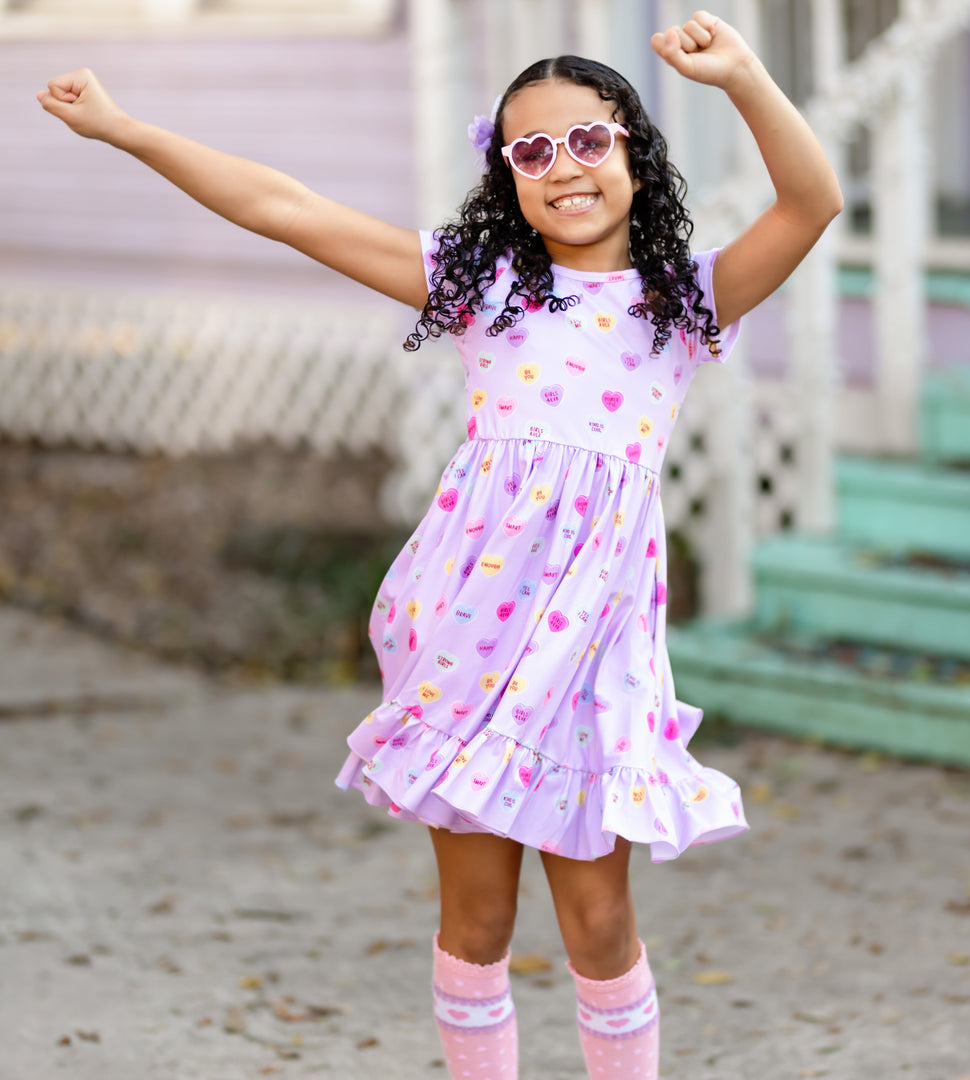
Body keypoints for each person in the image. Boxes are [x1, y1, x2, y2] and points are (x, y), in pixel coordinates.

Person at [39, 10, 842, 1078]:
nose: (564, 166)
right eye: (533, 149)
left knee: (600, 921)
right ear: (507, 172)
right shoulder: (484, 287)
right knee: (477, 919)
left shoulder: (680, 304)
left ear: (637, 159)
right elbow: (286, 209)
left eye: (591, 140)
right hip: (467, 633)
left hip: (593, 652)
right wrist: (127, 129)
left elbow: (814, 201)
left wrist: (742, 76)